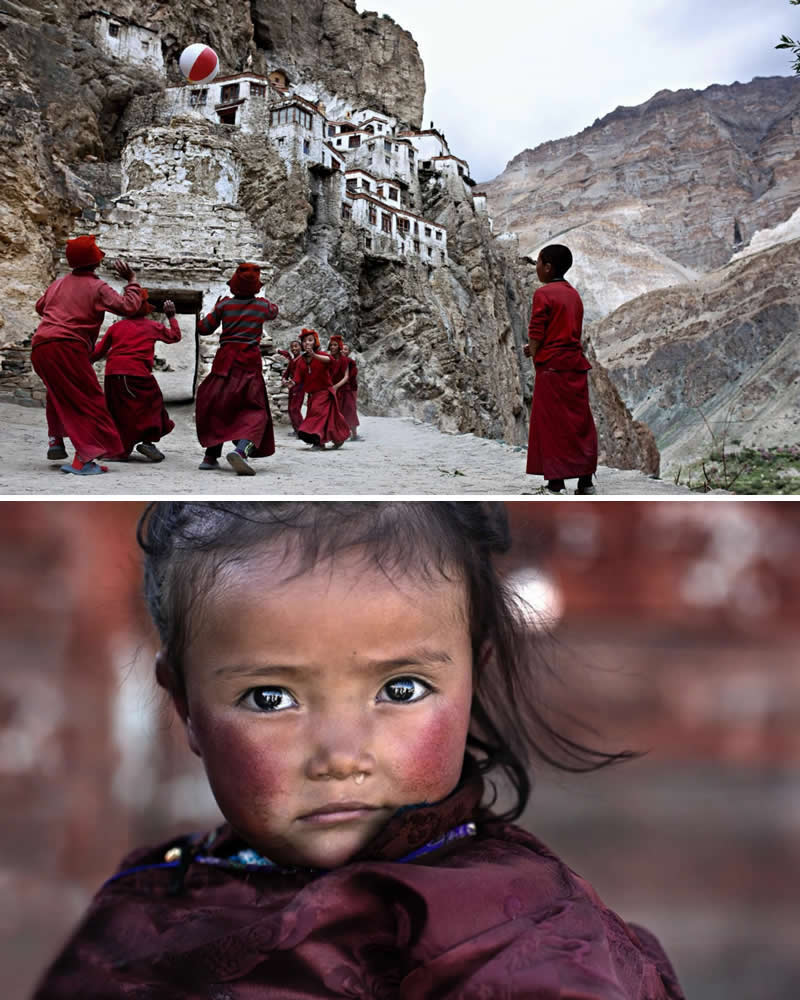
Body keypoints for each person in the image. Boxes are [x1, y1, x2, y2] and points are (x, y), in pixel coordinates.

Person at [34, 501, 685, 1000]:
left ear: (473, 678)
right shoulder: (150, 899)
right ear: (186, 707)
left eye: (400, 689)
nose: (341, 756)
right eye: (270, 699)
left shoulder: (530, 942)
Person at [31, 235, 143, 476]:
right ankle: (84, 458)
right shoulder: (98, 287)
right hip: (68, 347)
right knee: (90, 401)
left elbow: (41, 306)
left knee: (59, 393)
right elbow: (129, 307)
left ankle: (56, 439)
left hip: (41, 346)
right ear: (95, 262)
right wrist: (132, 280)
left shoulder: (58, 284)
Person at [524, 244, 598, 495]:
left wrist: (534, 352)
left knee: (551, 425)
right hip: (575, 366)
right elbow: (566, 331)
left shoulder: (544, 294)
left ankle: (556, 483)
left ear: (547, 267)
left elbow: (537, 332)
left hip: (552, 369)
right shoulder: (573, 294)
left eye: (538, 263)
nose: (536, 268)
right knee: (579, 423)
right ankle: (585, 482)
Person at [195, 263, 279, 476]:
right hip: (249, 363)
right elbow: (274, 312)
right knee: (255, 411)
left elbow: (204, 329)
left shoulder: (225, 306)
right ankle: (241, 451)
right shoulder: (262, 306)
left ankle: (210, 456)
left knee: (219, 406)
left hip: (225, 361)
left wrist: (214, 308)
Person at [91, 292, 180, 462]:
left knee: (119, 412)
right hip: (137, 374)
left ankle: (119, 449)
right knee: (153, 405)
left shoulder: (115, 328)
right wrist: (171, 316)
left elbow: (97, 353)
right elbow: (175, 337)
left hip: (112, 375)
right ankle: (146, 441)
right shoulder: (153, 326)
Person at [295, 328, 350, 450]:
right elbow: (298, 379)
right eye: (304, 341)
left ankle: (319, 443)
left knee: (317, 417)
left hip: (324, 393)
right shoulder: (300, 361)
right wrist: (290, 384)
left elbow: (329, 360)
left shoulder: (322, 356)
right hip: (312, 395)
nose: (307, 343)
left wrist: (314, 355)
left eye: (310, 340)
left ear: (315, 343)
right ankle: (338, 438)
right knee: (327, 419)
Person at [278, 339, 305, 434]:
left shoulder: (302, 359)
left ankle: (302, 430)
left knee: (295, 409)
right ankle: (296, 429)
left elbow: (301, 374)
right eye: (292, 346)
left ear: (301, 347)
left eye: (296, 346)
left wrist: (293, 381)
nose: (294, 348)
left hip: (300, 387)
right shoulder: (292, 361)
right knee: (290, 409)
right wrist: (284, 379)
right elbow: (286, 373)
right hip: (292, 387)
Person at [339, 342, 361, 441]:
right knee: (340, 410)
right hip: (339, 389)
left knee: (351, 410)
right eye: (342, 349)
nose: (343, 351)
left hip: (350, 389)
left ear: (349, 352)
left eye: (346, 349)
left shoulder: (351, 362)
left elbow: (352, 376)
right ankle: (343, 432)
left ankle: (354, 433)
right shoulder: (336, 361)